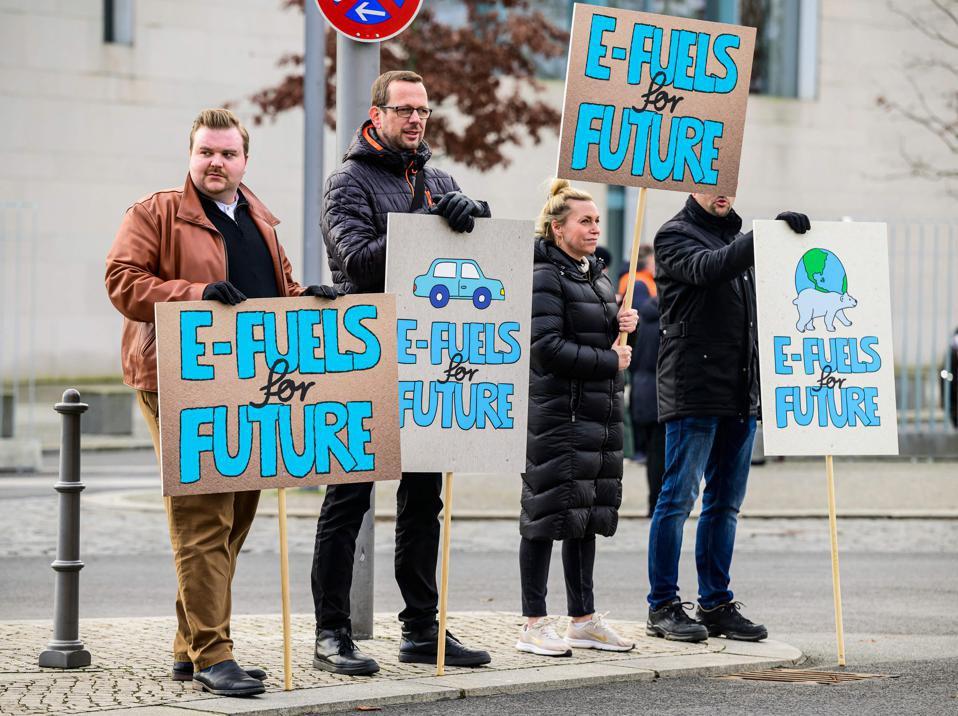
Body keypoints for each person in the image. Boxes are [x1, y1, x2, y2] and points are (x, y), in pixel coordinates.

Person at [104, 109, 338, 696]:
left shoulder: (261, 220)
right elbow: (122, 282)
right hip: (175, 380)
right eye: (206, 152)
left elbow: (273, 290)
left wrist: (304, 298)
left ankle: (190, 647)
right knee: (203, 515)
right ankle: (214, 654)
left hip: (250, 384)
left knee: (235, 517)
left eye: (228, 154)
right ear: (190, 155)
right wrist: (195, 295)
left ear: (244, 161)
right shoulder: (155, 213)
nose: (216, 162)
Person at [313, 70, 492, 675]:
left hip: (427, 360)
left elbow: (478, 251)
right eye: (405, 110)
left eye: (423, 110)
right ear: (378, 114)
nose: (416, 119)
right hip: (364, 357)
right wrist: (426, 225)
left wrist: (476, 212)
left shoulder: (439, 180)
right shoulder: (347, 181)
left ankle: (421, 629)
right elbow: (358, 263)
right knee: (348, 500)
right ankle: (331, 634)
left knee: (423, 502)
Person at [646, 193, 809, 642]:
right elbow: (709, 269)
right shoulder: (674, 234)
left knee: (725, 505)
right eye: (714, 182)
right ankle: (662, 606)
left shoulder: (734, 239)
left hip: (739, 393)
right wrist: (765, 236)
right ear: (695, 182)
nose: (723, 192)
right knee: (677, 500)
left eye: (729, 184)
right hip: (695, 391)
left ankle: (715, 604)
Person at [516, 179, 638, 657]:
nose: (594, 228)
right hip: (558, 417)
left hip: (596, 416)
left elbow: (596, 336)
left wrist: (623, 326)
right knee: (544, 517)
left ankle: (582, 620)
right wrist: (609, 360)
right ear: (557, 228)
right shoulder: (545, 275)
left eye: (596, 221)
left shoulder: (596, 274)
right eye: (584, 221)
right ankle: (533, 623)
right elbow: (546, 349)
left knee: (585, 516)